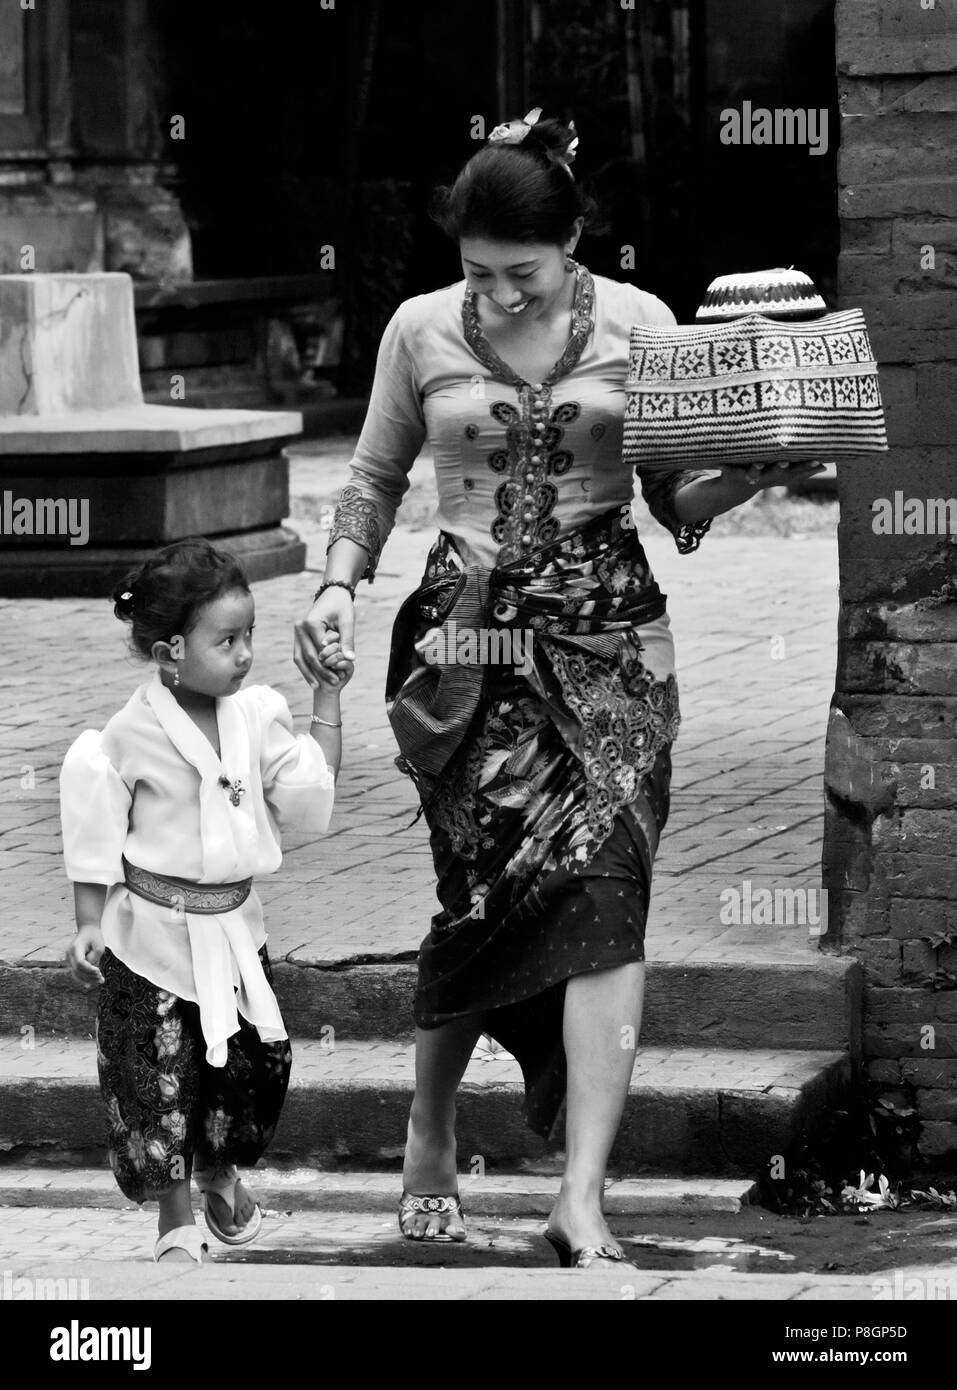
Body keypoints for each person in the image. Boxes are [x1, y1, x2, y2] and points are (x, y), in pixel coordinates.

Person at [294, 110, 825, 1268]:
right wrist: (338, 584)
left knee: (607, 897)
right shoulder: (417, 328)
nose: (499, 297)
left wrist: (752, 473)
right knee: (481, 902)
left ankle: (582, 1191)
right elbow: (377, 477)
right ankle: (430, 1130)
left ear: (574, 241)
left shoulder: (643, 324)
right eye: (478, 273)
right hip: (464, 651)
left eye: (521, 273)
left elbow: (674, 500)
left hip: (614, 646)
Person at [62, 538, 353, 1264]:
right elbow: (97, 831)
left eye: (249, 635)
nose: (245, 653)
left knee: (248, 1066)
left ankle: (221, 1174)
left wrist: (327, 696)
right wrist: (90, 922)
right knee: (158, 1073)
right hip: (150, 935)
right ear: (170, 652)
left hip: (232, 930)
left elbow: (308, 795)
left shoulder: (256, 714)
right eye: (227, 640)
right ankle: (174, 1215)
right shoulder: (127, 737)